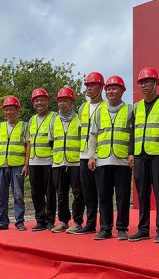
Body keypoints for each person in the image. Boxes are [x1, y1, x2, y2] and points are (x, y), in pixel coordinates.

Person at [129, 67, 159, 244]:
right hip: (140, 156)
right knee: (142, 194)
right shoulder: (136, 106)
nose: (144, 85)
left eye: (147, 81)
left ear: (156, 83)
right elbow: (133, 132)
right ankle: (143, 229)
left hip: (158, 156)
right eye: (141, 82)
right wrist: (131, 153)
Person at [88, 76, 133, 241]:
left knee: (123, 196)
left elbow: (133, 134)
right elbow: (93, 135)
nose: (111, 91)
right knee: (104, 196)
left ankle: (122, 228)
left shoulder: (130, 110)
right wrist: (91, 156)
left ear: (122, 91)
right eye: (108, 89)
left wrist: (131, 153)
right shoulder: (100, 111)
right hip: (103, 160)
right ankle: (105, 228)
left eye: (115, 88)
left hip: (122, 161)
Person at [71, 72, 105, 235]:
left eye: (93, 85)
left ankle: (105, 226)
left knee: (102, 192)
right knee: (88, 192)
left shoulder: (105, 107)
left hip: (101, 155)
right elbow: (80, 131)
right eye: (87, 85)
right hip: (84, 155)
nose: (89, 88)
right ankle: (90, 224)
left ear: (101, 87)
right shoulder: (82, 107)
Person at [49, 87, 85, 234]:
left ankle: (77, 222)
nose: (62, 104)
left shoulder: (79, 119)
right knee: (61, 194)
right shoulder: (54, 120)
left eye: (65, 101)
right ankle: (63, 221)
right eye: (60, 101)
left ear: (72, 102)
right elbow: (51, 141)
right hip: (58, 162)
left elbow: (83, 139)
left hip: (75, 162)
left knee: (78, 194)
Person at [0, 95, 29, 231]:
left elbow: (28, 146)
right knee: (0, 195)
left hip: (17, 165)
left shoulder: (24, 126)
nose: (8, 112)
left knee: (18, 195)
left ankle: (19, 221)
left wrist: (26, 165)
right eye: (6, 109)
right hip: (1, 166)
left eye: (11, 109)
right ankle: (3, 222)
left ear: (17, 110)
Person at [27, 88, 57, 231]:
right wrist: (27, 162)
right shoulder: (32, 120)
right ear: (33, 103)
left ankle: (50, 220)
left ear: (48, 101)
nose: (39, 103)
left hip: (49, 161)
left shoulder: (54, 117)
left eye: (42, 100)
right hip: (34, 161)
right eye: (36, 101)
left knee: (50, 193)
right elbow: (29, 142)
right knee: (36, 193)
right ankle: (40, 220)